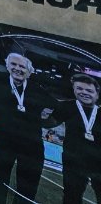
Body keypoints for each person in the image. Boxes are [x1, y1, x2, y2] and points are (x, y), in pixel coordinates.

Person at [0, 53, 51, 202]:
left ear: (29, 72)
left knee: (27, 189)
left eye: (22, 66)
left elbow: (57, 107)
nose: (17, 68)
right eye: (14, 64)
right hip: (3, 141)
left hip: (31, 144)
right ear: (7, 66)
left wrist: (47, 117)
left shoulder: (37, 90)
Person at [42, 74, 101, 204]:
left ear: (97, 94)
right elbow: (49, 123)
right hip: (74, 161)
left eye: (89, 90)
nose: (84, 92)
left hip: (99, 163)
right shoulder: (67, 106)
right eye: (79, 88)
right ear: (74, 89)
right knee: (71, 196)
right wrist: (43, 116)